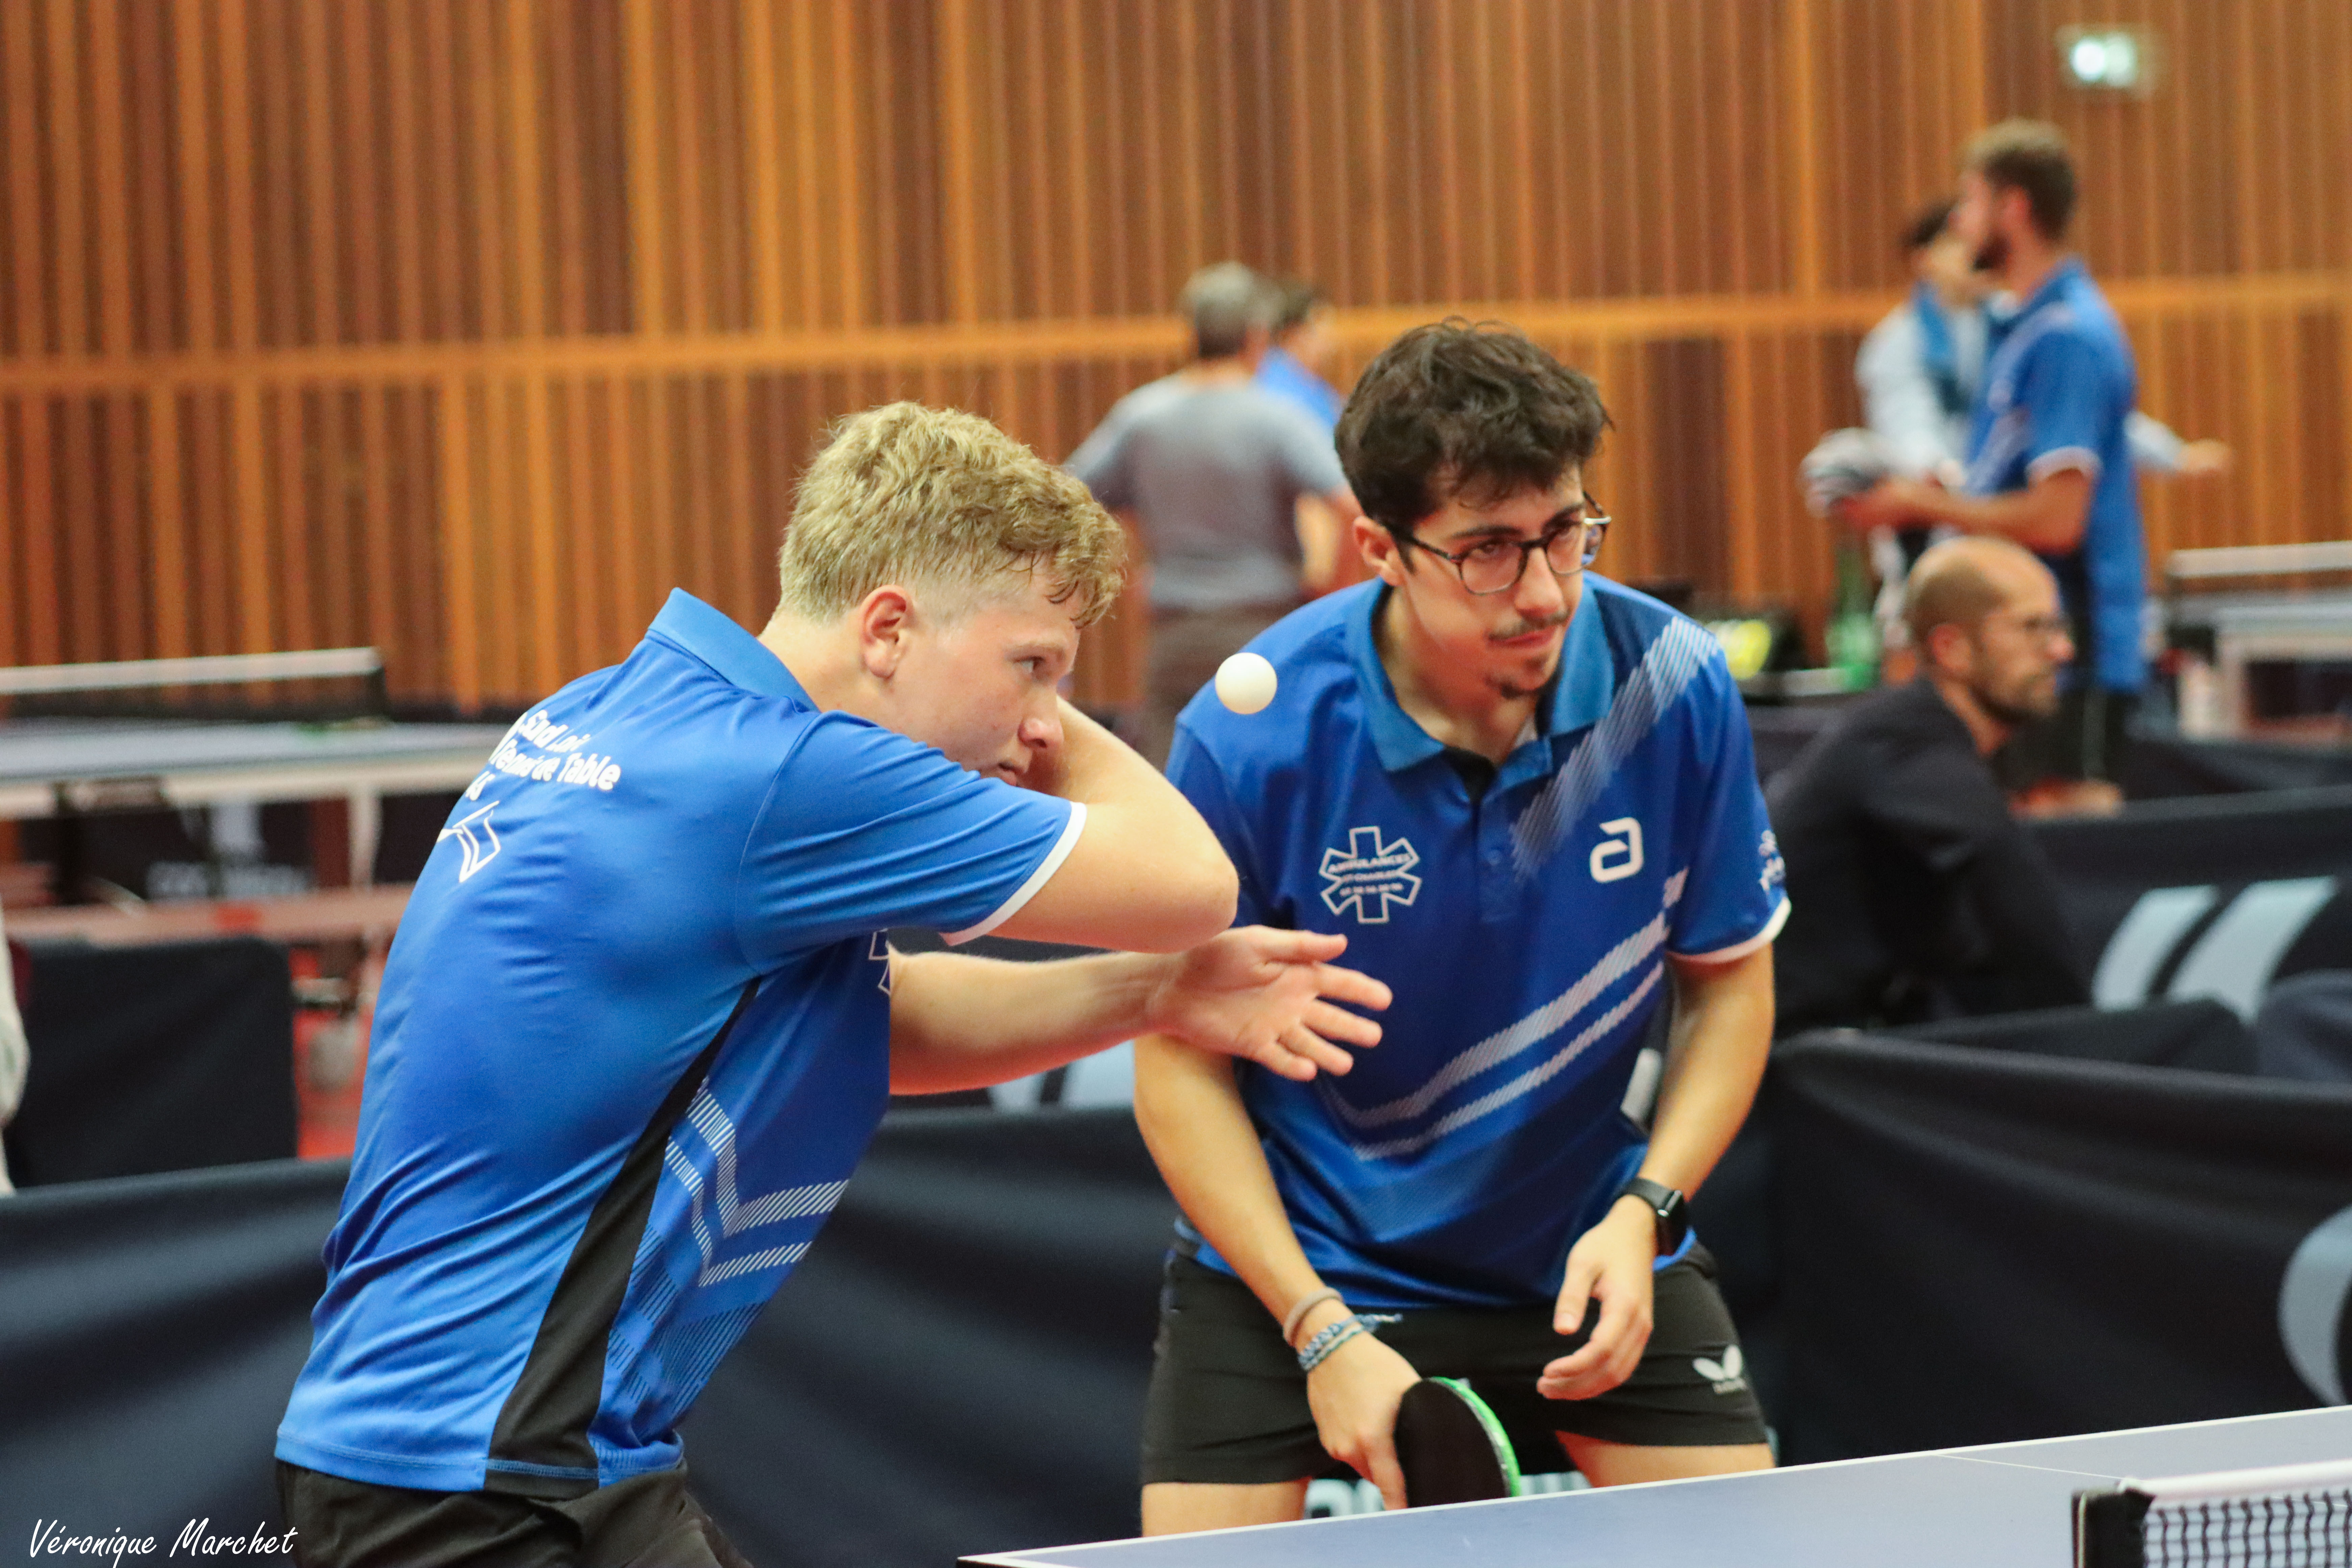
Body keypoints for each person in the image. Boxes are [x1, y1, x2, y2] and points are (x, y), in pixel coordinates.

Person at [273, 403, 1393, 1568]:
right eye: (1030, 666)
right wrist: (1069, 732)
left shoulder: (614, 709)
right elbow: (1191, 884)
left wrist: (1149, 996)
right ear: (890, 629)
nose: (1035, 728)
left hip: (474, 1457)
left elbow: (876, 1019)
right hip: (482, 1484)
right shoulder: (790, 776)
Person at [1132, 322, 1784, 1535]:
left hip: (1585, 1238)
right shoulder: (1254, 734)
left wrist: (1647, 1206)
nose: (1542, 591)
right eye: (1485, 550)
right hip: (1305, 1260)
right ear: (1379, 548)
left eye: (1565, 531)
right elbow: (1176, 1062)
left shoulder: (1670, 683)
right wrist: (1316, 1325)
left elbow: (1727, 981)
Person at [1842, 123, 2162, 811]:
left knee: (2068, 851)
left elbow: (2058, 519)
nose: (1959, 223)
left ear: (2012, 208)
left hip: (2073, 648)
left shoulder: (2068, 336)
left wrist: (1919, 505)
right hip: (2022, 646)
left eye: (1970, 202)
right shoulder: (2020, 328)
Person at [1853, 198, 2229, 675]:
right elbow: (1911, 430)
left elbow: (2077, 418)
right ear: (1923, 259)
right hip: (1940, 534)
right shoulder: (1899, 343)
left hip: (1998, 532)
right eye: (1953, 243)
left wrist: (2170, 454)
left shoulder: (2015, 325)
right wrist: (1940, 489)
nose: (1967, 251)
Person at [1770, 538, 2089, 1034]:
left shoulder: (1925, 737)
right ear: (1951, 649)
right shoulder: (1901, 743)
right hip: (1795, 1056)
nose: (2062, 650)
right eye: (2033, 627)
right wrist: (2086, 1039)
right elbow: (2004, 877)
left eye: (2058, 626)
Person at [1068, 263, 1364, 766]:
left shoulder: (1142, 416)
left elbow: (1066, 496)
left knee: (1173, 781)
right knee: (1268, 776)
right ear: (1257, 337)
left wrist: (1116, 574)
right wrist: (1330, 591)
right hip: (1264, 631)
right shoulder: (1278, 417)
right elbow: (1351, 506)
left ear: (1193, 335)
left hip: (1173, 634)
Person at [1255, 278, 1346, 433]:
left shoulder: (1308, 380)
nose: (1332, 338)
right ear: (1294, 333)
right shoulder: (1279, 391)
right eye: (1323, 326)